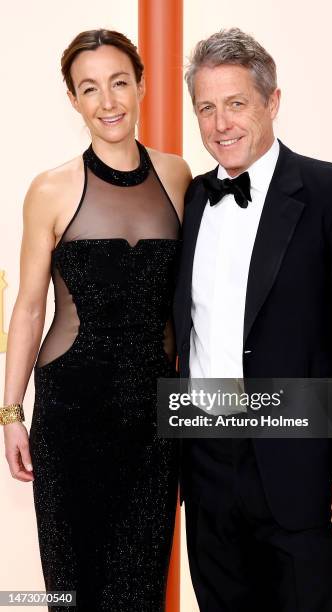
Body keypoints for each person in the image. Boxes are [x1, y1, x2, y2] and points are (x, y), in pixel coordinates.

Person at [173, 28, 332, 611]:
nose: (221, 124)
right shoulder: (192, 200)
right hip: (207, 464)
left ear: (272, 102)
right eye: (206, 108)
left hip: (302, 467)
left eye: (236, 103)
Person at [1, 29, 191, 611]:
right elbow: (31, 307)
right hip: (70, 414)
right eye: (90, 89)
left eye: (118, 83)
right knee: (73, 584)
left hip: (154, 420)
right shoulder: (50, 189)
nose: (107, 102)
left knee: (141, 584)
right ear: (73, 99)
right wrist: (10, 413)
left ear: (141, 86)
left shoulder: (179, 176)